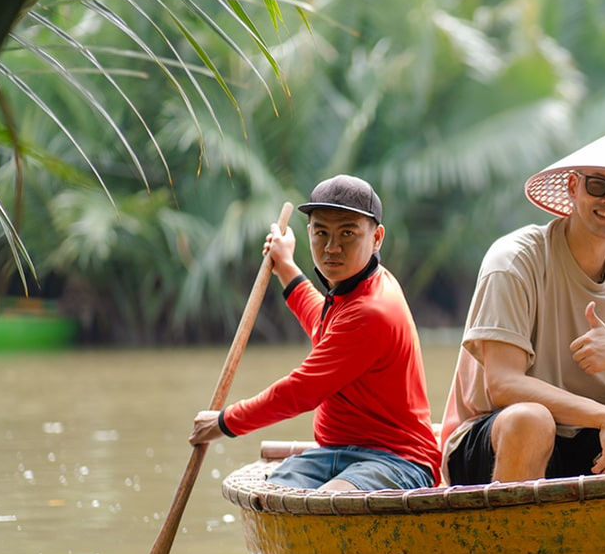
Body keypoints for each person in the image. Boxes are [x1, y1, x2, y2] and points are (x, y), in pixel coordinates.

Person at [439, 132, 605, 485]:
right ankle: (509, 539)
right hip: (497, 435)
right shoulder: (516, 259)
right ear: (572, 188)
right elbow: (503, 384)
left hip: (589, 440)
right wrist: (603, 417)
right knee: (533, 420)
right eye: (597, 185)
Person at [189, 175, 441, 491]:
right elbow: (320, 321)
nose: (331, 247)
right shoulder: (353, 290)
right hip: (334, 454)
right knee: (274, 494)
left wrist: (225, 422)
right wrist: (285, 267)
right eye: (321, 232)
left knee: (331, 503)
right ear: (308, 233)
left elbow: (300, 391)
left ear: (377, 237)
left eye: (348, 233)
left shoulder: (372, 309)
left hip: (397, 460)